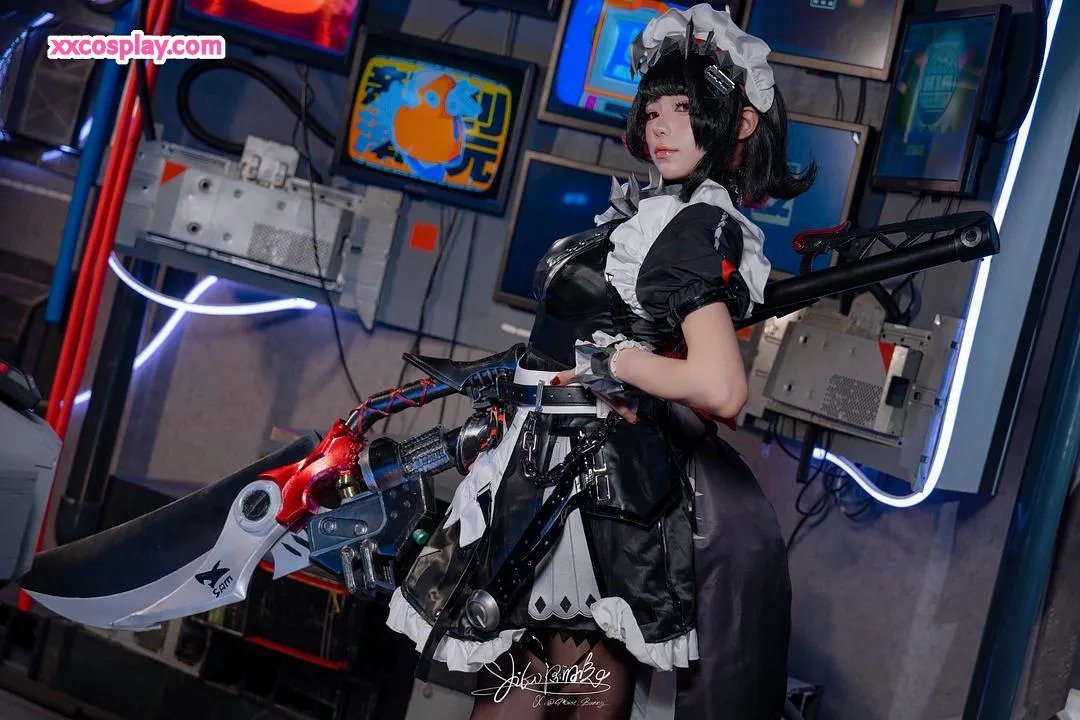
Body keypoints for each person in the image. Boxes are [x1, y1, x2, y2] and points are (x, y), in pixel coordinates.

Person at [385, 6, 815, 718]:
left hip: (593, 479)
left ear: (738, 124)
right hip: (551, 459)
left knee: (574, 678)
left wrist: (615, 362)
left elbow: (720, 386)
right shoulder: (660, 211)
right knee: (527, 671)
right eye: (655, 108)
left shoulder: (694, 224)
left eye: (685, 109)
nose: (661, 125)